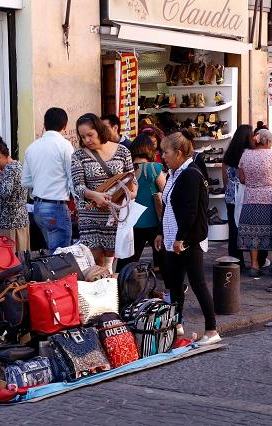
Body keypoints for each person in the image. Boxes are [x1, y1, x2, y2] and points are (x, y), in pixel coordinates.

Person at [155, 130, 220, 346]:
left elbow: (190, 211)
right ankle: (176, 325)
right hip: (173, 237)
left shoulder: (190, 174)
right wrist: (162, 233)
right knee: (174, 284)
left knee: (197, 283)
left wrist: (180, 238)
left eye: (166, 152)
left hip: (187, 239)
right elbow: (167, 207)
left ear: (180, 153)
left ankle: (211, 330)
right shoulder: (175, 173)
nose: (163, 156)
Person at [71, 113, 135, 271]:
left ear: (99, 130)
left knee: (111, 262)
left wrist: (131, 194)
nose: (86, 140)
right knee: (95, 260)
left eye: (90, 135)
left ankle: (111, 292)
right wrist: (95, 195)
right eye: (83, 136)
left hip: (115, 215)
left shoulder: (122, 152)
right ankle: (101, 291)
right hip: (90, 215)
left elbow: (132, 179)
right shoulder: (78, 156)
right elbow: (78, 186)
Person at [22, 107, 74, 250]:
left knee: (53, 250)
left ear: (44, 125)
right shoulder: (64, 145)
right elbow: (73, 178)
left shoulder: (32, 147)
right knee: (61, 254)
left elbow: (25, 181)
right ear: (65, 126)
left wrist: (42, 182)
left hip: (38, 207)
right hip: (56, 205)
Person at [115, 134, 166, 272]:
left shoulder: (126, 170)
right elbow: (165, 191)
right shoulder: (154, 168)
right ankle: (170, 289)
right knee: (163, 259)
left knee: (128, 261)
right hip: (153, 221)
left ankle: (121, 286)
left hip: (132, 221)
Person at [237, 128, 272, 277]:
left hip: (250, 199)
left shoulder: (245, 155)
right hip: (271, 199)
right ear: (267, 141)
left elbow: (242, 179)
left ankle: (254, 264)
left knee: (253, 232)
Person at [0, 137, 30, 251]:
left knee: (6, 260)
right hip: (20, 221)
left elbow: (5, 191)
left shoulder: (10, 169)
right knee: (20, 258)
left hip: (8, 223)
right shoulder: (17, 166)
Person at [222, 124, 252, 267]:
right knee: (250, 225)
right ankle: (254, 259)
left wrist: (227, 189)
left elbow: (224, 177)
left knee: (233, 228)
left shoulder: (229, 154)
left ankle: (235, 258)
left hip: (230, 193)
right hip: (245, 193)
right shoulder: (248, 154)